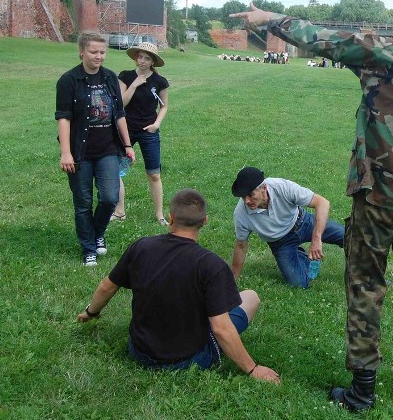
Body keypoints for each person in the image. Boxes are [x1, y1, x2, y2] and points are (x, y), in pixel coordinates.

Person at [233, 0, 393, 411]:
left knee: (366, 287)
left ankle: (362, 392)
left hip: (377, 201)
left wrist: (270, 19)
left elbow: (323, 38)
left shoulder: (388, 53)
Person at [77, 189, 281, 382]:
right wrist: (253, 368)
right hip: (188, 360)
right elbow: (221, 328)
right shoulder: (212, 265)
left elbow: (107, 287)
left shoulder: (141, 247)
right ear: (205, 221)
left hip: (139, 351)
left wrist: (91, 312)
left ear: (171, 218)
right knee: (250, 297)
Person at [56, 31, 135, 267]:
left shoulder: (111, 78)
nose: (99, 56)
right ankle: (88, 247)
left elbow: (119, 114)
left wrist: (128, 144)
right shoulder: (69, 81)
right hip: (80, 152)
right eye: (93, 52)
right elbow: (64, 118)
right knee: (83, 202)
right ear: (81, 52)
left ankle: (97, 233)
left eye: (102, 52)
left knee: (110, 198)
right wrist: (66, 152)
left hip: (108, 149)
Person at [231, 166, 345, 288]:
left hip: (303, 222)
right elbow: (241, 245)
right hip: (280, 242)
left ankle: (366, 265)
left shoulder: (281, 187)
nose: (247, 201)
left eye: (251, 195)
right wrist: (232, 280)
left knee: (348, 236)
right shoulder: (241, 214)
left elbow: (322, 202)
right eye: (243, 197)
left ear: (264, 188)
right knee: (299, 283)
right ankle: (299, 255)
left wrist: (316, 239)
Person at [113, 42, 170, 225]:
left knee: (154, 174)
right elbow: (121, 104)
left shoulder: (159, 81)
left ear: (153, 61)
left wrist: (156, 124)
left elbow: (164, 106)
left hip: (149, 131)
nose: (142, 61)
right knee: (117, 170)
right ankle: (120, 211)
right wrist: (135, 84)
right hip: (126, 129)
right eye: (140, 57)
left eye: (147, 58)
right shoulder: (125, 76)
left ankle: (159, 214)